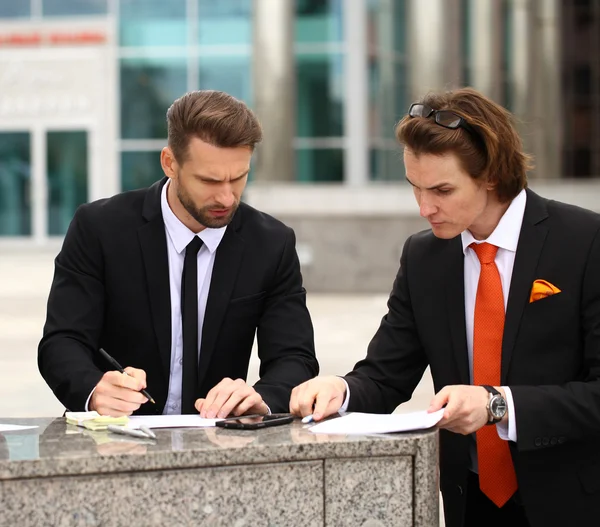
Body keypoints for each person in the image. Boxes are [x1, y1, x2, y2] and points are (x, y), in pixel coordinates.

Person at [290, 87, 600, 527]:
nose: (424, 208)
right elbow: (385, 374)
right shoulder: (424, 257)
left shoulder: (586, 242)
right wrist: (340, 391)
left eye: (441, 189)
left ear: (491, 174)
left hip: (573, 503)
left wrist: (498, 405)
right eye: (415, 188)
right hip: (467, 501)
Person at [39, 90, 318, 419]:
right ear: (170, 163)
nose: (227, 197)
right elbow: (61, 341)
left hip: (220, 443)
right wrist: (94, 389)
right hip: (117, 437)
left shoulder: (271, 244)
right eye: (209, 180)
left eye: (239, 178)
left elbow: (295, 357)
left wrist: (260, 397)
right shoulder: (99, 229)